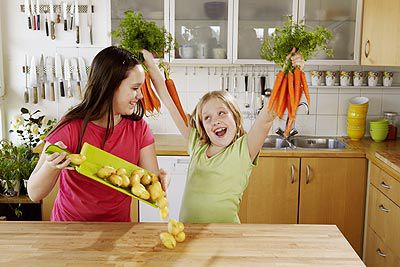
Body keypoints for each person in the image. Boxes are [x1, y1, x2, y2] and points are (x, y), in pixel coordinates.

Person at [143, 49, 303, 223]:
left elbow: (267, 116)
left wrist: (291, 71)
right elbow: (169, 101)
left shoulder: (244, 150)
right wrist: (150, 64)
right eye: (207, 118)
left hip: (226, 235)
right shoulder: (197, 144)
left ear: (235, 117)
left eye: (221, 113)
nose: (215, 121)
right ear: (202, 126)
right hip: (187, 233)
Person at [28, 46, 169, 222]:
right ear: (110, 86)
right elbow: (34, 193)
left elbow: (150, 189)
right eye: (135, 88)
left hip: (116, 230)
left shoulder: (138, 128)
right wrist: (51, 166)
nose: (140, 95)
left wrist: (160, 183)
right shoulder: (71, 127)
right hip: (69, 230)